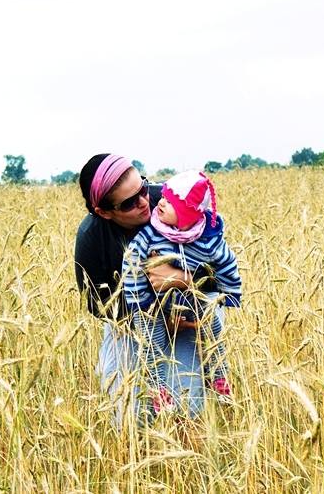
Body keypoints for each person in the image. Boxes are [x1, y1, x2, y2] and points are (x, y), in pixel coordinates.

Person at [74, 154, 224, 425]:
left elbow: (221, 271)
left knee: (185, 405)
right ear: (105, 212)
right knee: (128, 412)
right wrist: (157, 320)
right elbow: (98, 303)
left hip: (193, 306)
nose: (145, 202)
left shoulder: (172, 201)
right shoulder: (91, 236)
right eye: (130, 202)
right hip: (134, 322)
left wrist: (181, 278)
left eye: (142, 187)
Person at [122, 170, 241, 414]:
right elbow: (131, 261)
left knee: (214, 328)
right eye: (163, 196)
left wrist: (228, 294)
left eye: (169, 202)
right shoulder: (152, 233)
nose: (160, 202)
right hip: (153, 304)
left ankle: (217, 375)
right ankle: (158, 390)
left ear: (187, 214)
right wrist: (140, 302)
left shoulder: (206, 239)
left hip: (191, 298)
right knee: (151, 342)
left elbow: (227, 262)